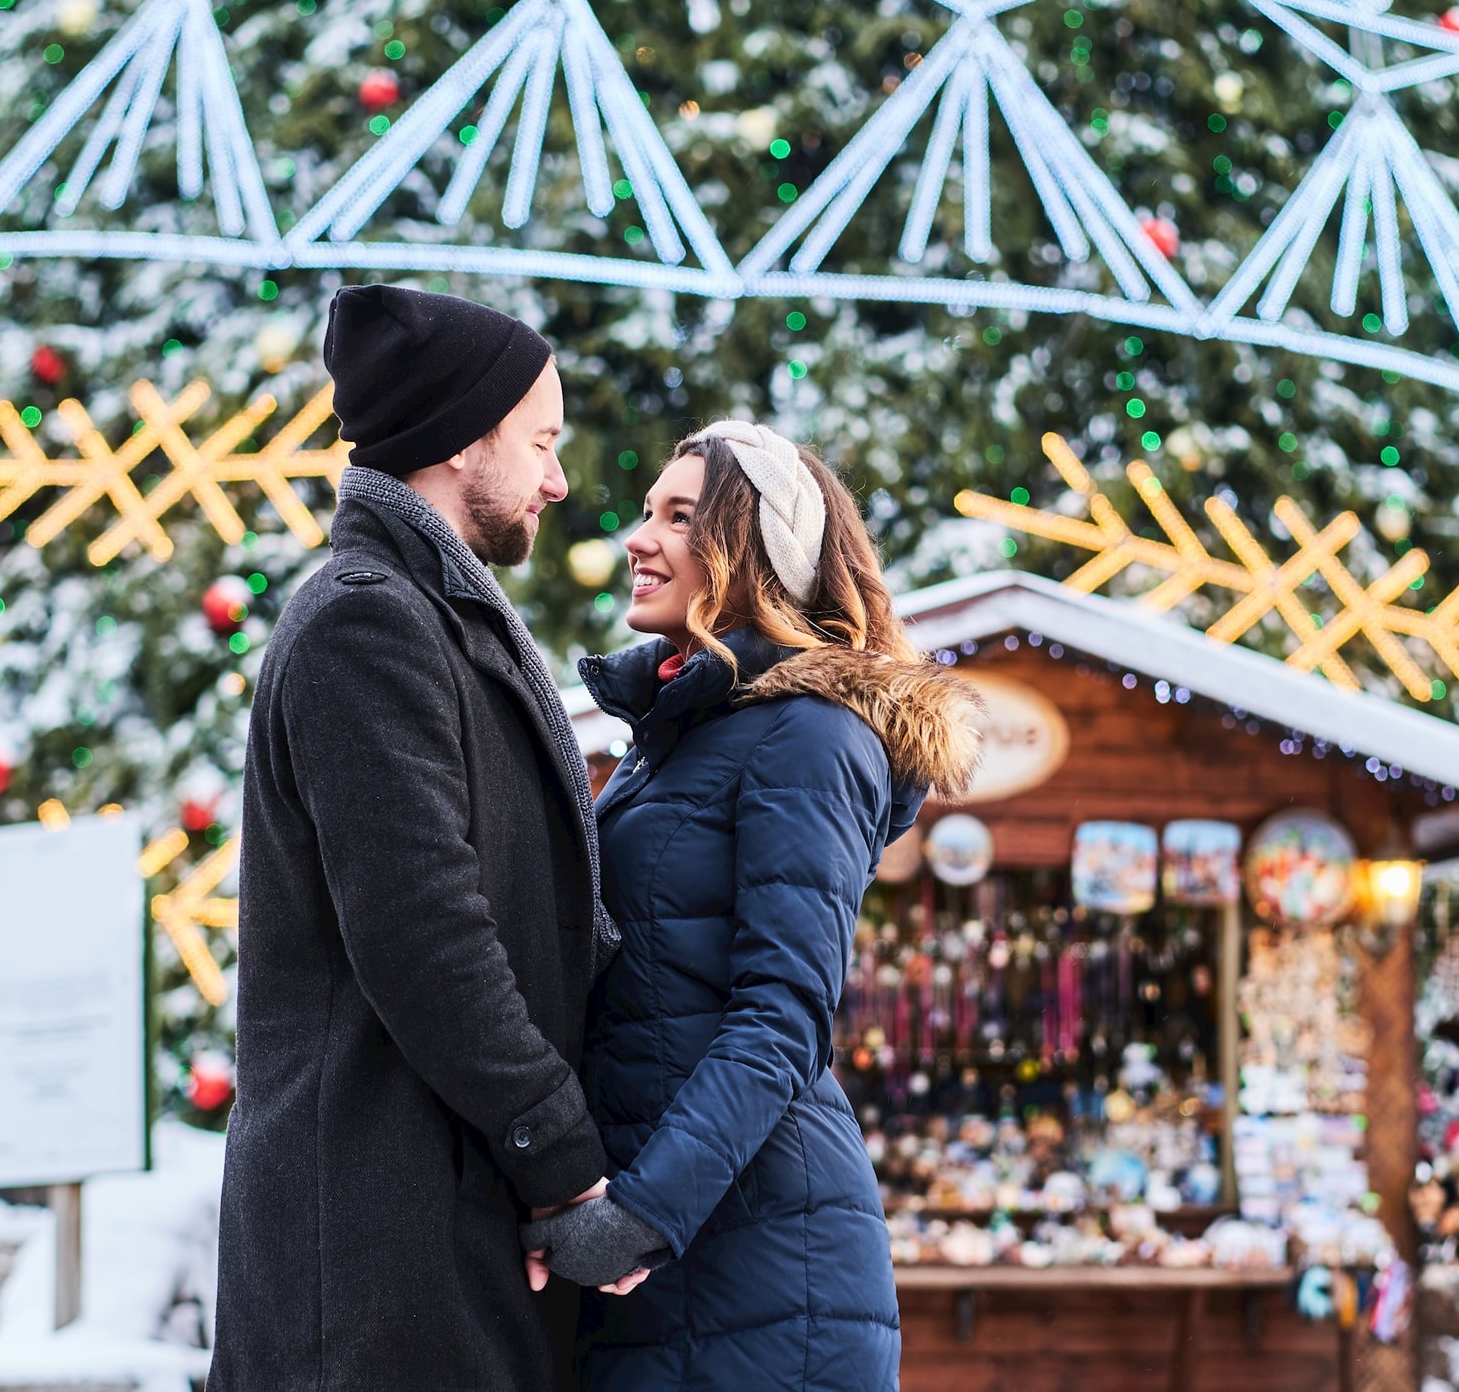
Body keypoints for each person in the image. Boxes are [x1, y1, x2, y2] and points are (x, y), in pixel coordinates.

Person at [212, 286, 619, 1390]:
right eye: (540, 441)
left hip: (429, 1229)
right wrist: (559, 1155)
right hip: (374, 1259)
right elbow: (422, 928)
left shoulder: (424, 610)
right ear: (461, 439)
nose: (556, 478)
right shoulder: (368, 618)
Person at [524, 422, 981, 1389]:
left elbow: (784, 1017)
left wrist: (641, 1215)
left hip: (764, 1267)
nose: (640, 539)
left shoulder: (810, 736)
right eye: (646, 513)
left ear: (753, 552)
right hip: (674, 1252)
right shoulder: (680, 737)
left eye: (679, 518)